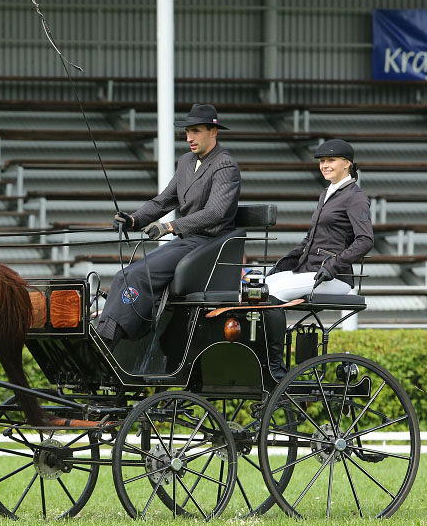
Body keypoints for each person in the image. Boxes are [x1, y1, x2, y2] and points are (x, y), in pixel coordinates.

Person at [96, 103, 241, 349]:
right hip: (187, 242)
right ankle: (106, 333)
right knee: (125, 274)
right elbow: (164, 200)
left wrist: (170, 226)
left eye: (195, 131)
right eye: (187, 132)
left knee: (136, 275)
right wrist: (134, 219)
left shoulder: (224, 165)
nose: (189, 138)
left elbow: (215, 212)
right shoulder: (186, 161)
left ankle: (107, 342)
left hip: (209, 243)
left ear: (213, 131)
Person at [263, 138, 373, 379]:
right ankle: (263, 361)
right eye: (322, 161)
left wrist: (333, 266)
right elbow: (309, 240)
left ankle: (275, 369)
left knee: (270, 295)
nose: (324, 165)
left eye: (330, 160)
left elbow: (365, 240)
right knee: (258, 288)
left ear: (347, 164)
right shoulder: (327, 193)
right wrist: (285, 263)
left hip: (334, 277)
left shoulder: (356, 196)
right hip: (310, 269)